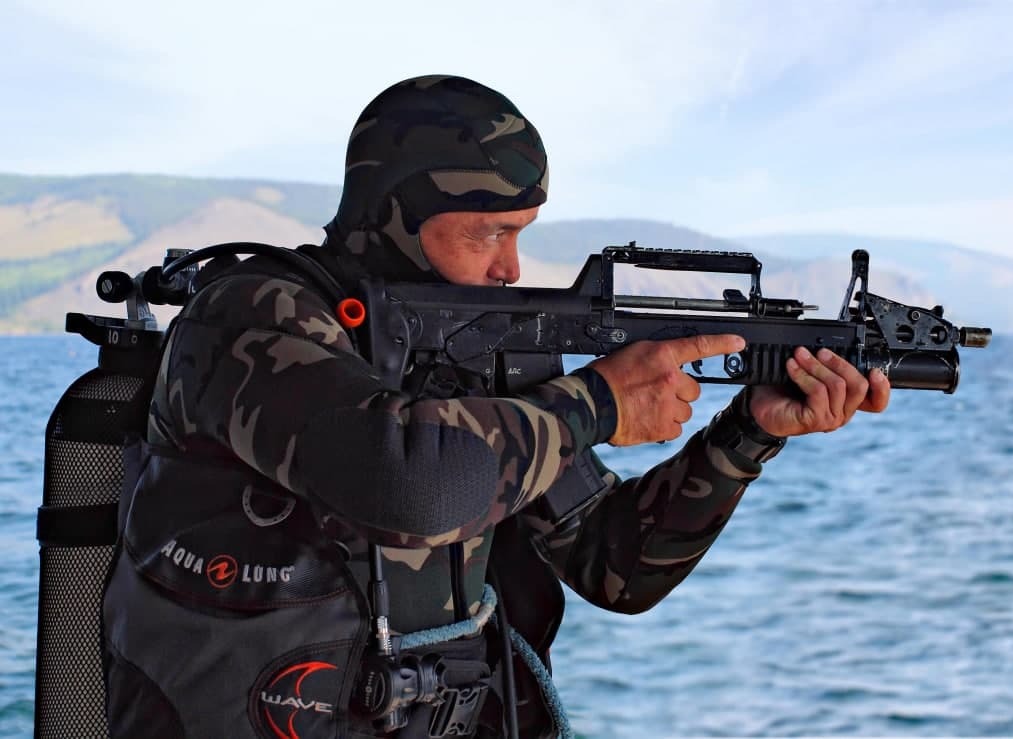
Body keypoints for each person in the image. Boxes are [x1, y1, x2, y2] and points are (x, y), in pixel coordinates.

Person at [99, 75, 890, 738]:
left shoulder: (479, 348)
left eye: (521, 235)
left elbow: (615, 565)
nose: (511, 268)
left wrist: (746, 434)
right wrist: (597, 402)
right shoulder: (250, 315)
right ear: (397, 212)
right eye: (489, 235)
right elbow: (406, 483)